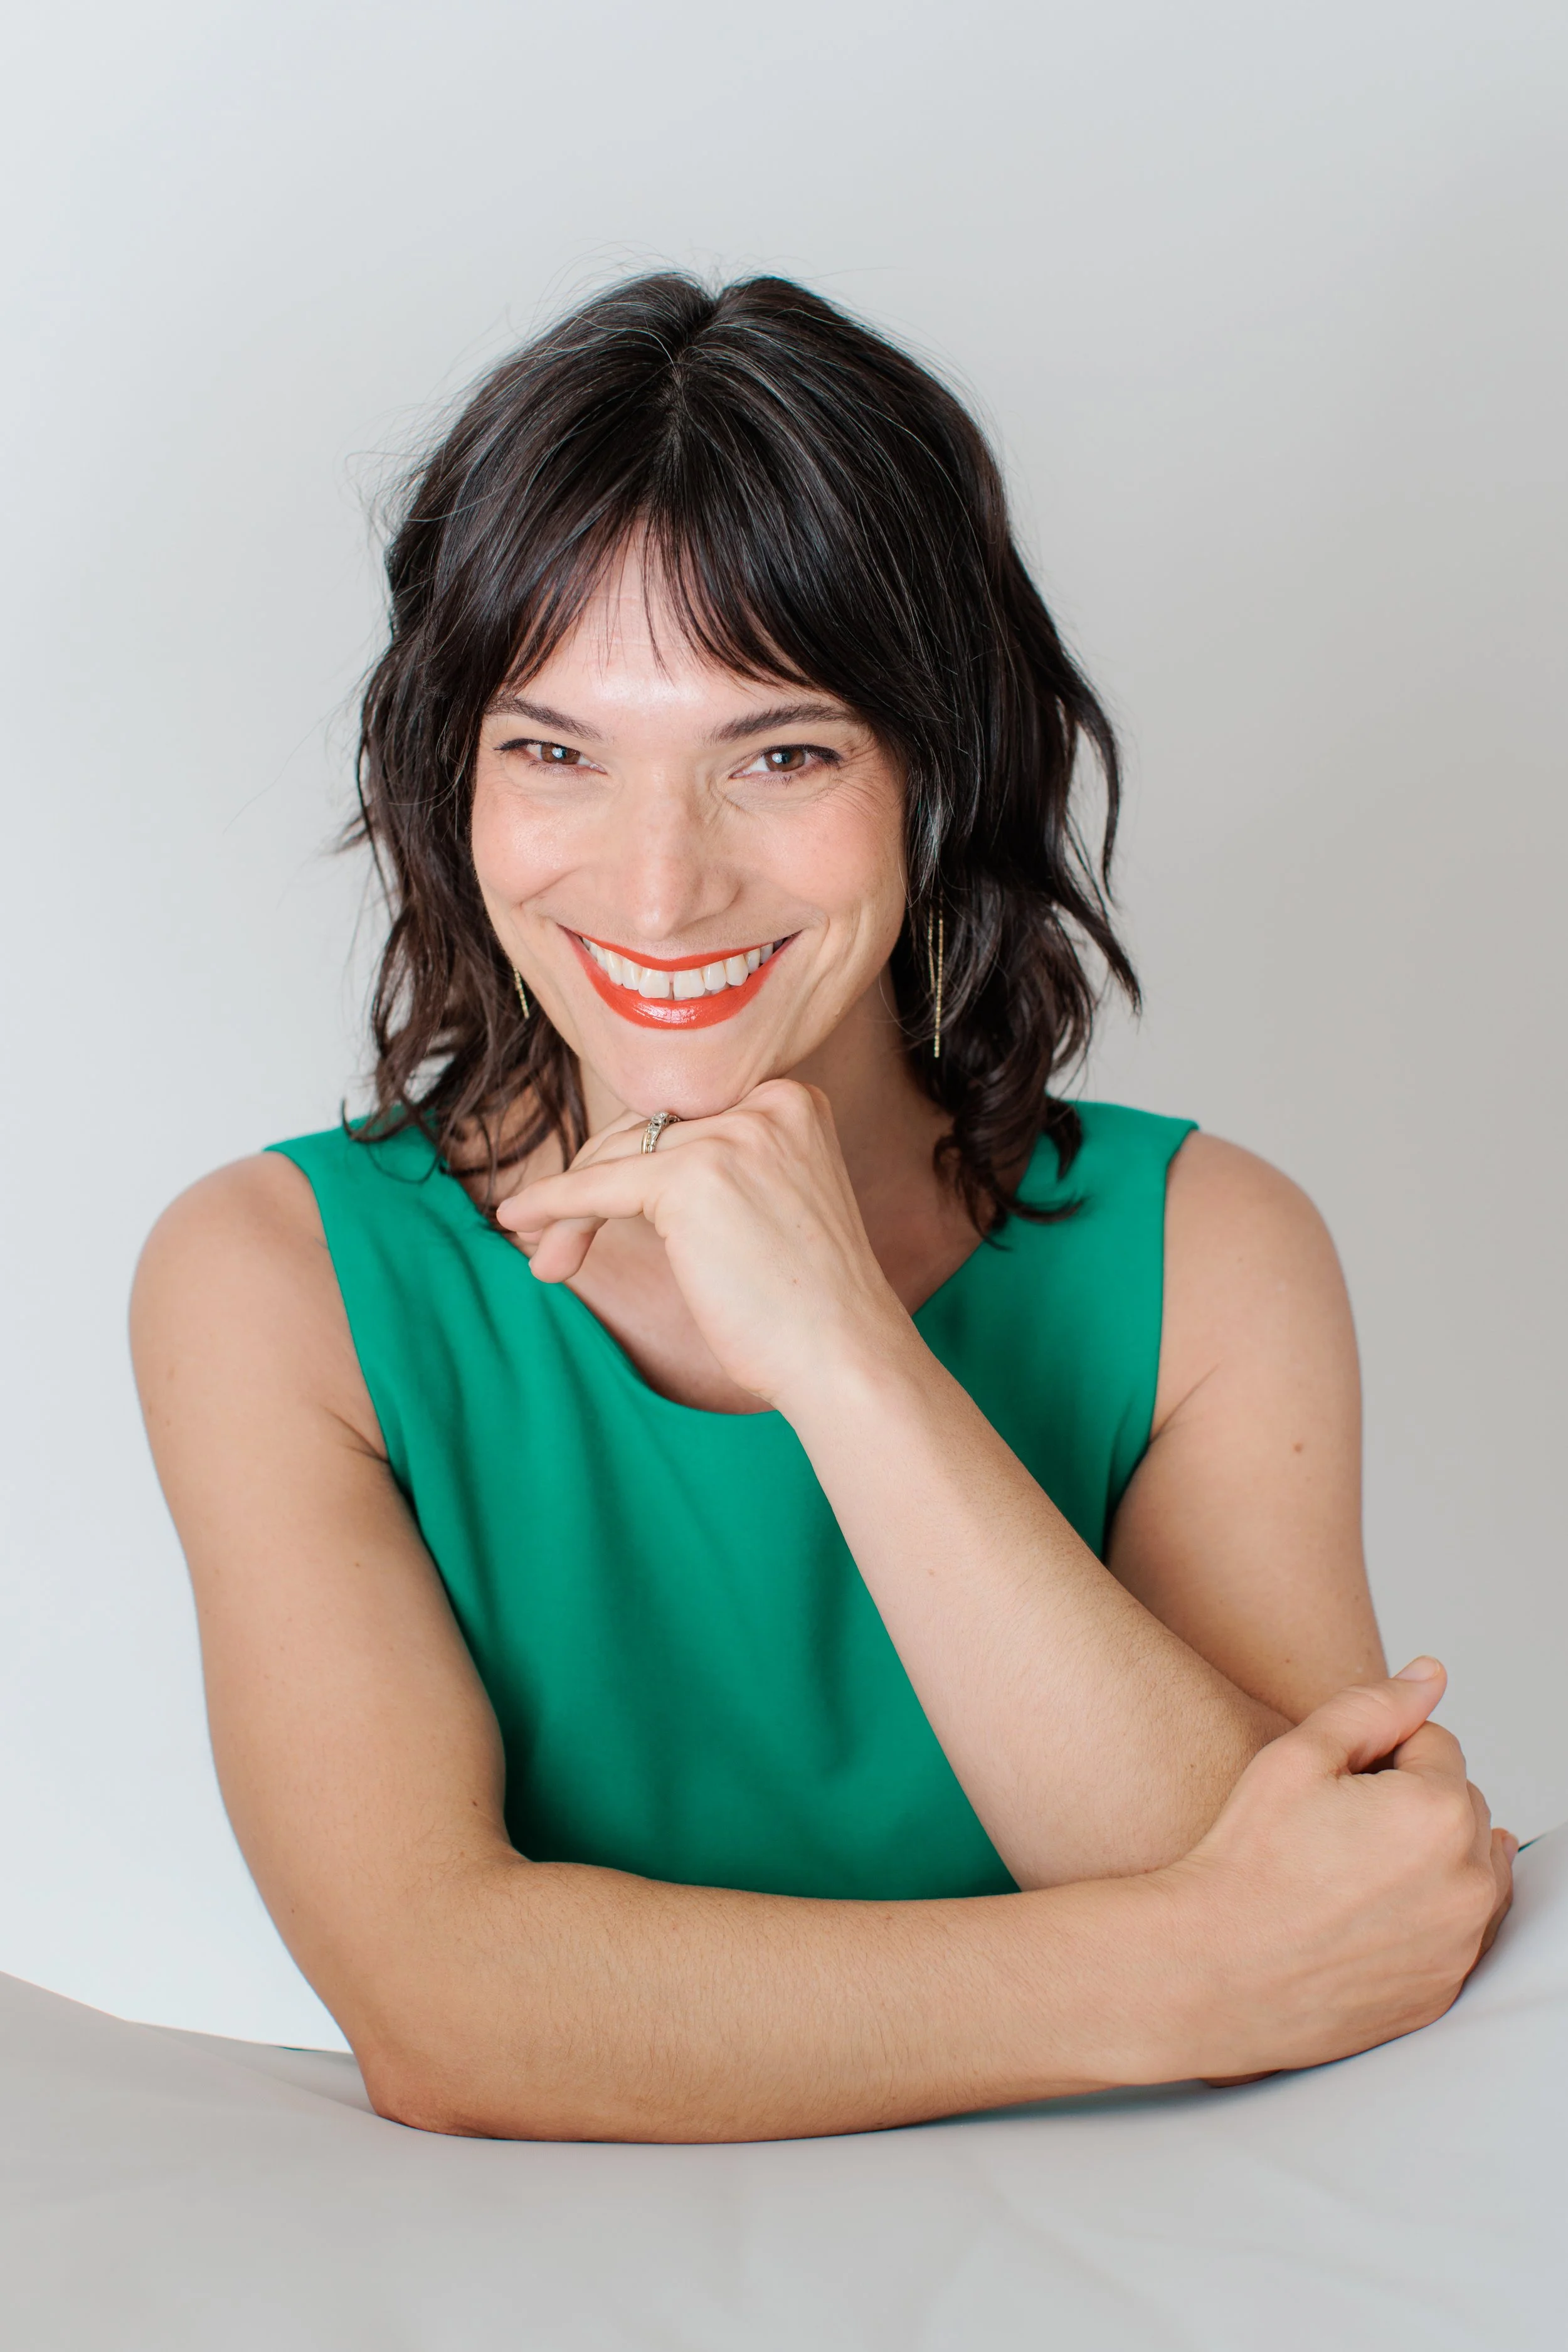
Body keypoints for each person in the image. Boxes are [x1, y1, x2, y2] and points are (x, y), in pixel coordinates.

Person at [131, 272, 1513, 2143]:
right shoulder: (274, 1282)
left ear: (932, 774)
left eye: (777, 754)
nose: (660, 879)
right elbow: (446, 2014)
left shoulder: (1208, 1250)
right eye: (552, 750)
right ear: (447, 784)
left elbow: (1311, 1937)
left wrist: (847, 1356)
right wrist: (1173, 1975)